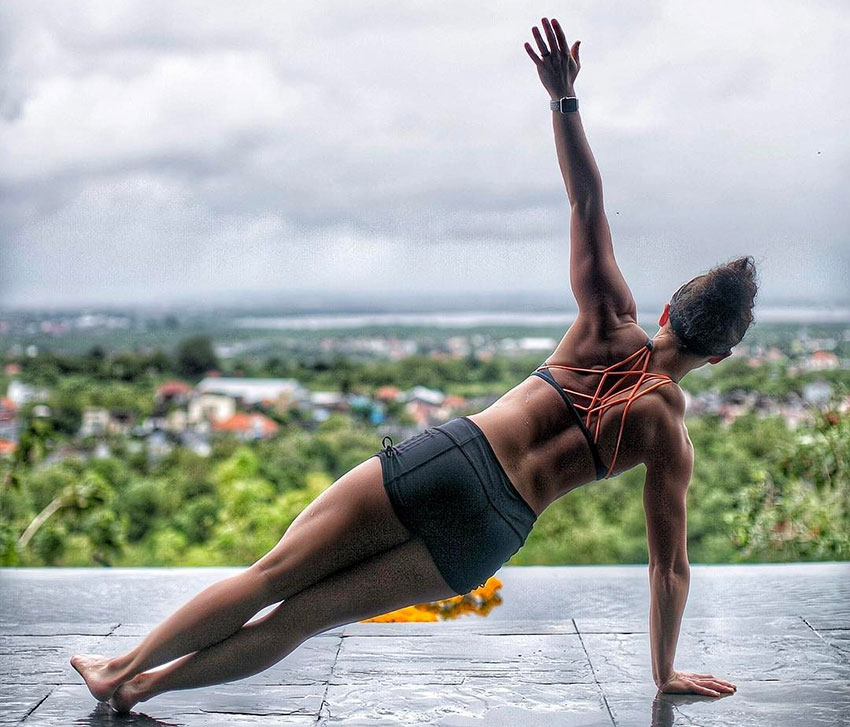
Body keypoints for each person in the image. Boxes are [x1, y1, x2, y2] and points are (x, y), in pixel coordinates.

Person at [72, 16, 749, 713]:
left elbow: (585, 199)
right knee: (302, 618)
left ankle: (121, 665)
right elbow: (669, 567)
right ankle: (142, 689)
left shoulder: (610, 316)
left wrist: (563, 98)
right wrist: (664, 670)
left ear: (669, 310)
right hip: (494, 532)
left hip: (455, 460)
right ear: (721, 354)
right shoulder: (669, 434)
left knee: (276, 573)